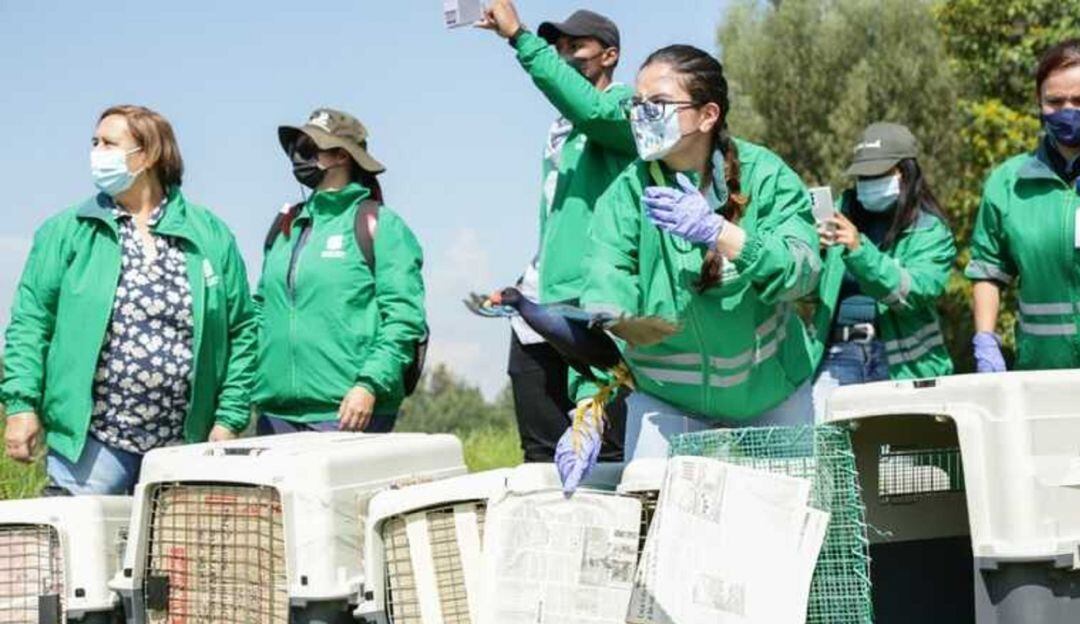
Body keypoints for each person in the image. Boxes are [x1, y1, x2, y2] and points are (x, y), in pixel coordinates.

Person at [557, 44, 823, 487]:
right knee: (658, 516)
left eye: (657, 105)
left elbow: (803, 272)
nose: (641, 116)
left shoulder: (766, 176)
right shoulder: (625, 197)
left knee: (790, 526)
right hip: (667, 402)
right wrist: (589, 407)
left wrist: (721, 233)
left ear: (707, 115)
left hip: (771, 393)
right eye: (636, 105)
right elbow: (605, 301)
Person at [1, 105, 257, 495]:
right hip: (92, 445)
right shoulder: (68, 231)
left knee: (164, 556)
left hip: (182, 447)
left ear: (148, 154)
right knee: (78, 551)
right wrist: (21, 406)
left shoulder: (210, 235)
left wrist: (229, 418)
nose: (96, 152)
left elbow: (243, 330)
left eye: (109, 143)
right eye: (94, 142)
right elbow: (31, 322)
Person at [478, 0, 632, 462]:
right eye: (557, 48)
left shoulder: (623, 108)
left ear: (609, 55)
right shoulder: (561, 127)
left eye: (575, 46)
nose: (564, 55)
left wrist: (521, 38)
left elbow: (594, 114)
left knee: (606, 447)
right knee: (543, 454)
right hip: (545, 293)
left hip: (594, 300)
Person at [253, 108, 426, 434]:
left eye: (308, 148)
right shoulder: (285, 227)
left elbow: (404, 320)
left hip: (348, 412)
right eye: (295, 149)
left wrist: (369, 385)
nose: (297, 158)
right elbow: (261, 311)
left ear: (342, 156)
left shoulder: (380, 225)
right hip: (275, 416)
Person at [812, 123, 956, 418]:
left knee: (902, 456)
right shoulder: (840, 216)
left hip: (901, 361)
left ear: (906, 173)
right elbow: (804, 294)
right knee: (826, 451)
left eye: (879, 175)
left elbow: (913, 292)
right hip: (838, 354)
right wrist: (816, 253)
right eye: (863, 176)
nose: (869, 182)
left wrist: (858, 250)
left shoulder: (930, 231)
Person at [967, 39, 1080, 372]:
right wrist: (985, 340)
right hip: (1042, 375)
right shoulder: (1008, 182)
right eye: (1055, 101)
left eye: (1079, 100)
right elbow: (988, 270)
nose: (1068, 111)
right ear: (1038, 103)